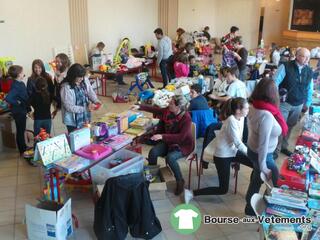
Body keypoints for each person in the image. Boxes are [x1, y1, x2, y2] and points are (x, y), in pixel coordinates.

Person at [184, 97, 252, 203]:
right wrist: (251, 154)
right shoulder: (231, 121)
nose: (248, 110)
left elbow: (240, 140)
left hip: (233, 151)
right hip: (223, 155)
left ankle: (251, 195)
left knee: (256, 165)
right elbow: (238, 143)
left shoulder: (242, 118)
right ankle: (191, 193)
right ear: (238, 111)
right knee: (223, 189)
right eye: (247, 108)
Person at [244, 78, 288, 216]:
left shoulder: (254, 106)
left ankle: (250, 208)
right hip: (263, 154)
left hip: (253, 150)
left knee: (257, 178)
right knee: (276, 182)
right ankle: (275, 212)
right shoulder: (266, 115)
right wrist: (263, 165)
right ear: (273, 94)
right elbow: (263, 144)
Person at [134, 95, 194, 195]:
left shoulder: (186, 118)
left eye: (171, 103)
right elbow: (156, 110)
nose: (168, 104)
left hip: (183, 145)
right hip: (169, 141)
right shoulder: (168, 111)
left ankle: (180, 181)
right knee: (153, 152)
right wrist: (140, 107)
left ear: (178, 107)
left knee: (170, 158)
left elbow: (181, 137)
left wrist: (162, 136)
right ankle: (151, 175)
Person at [273, 47, 313, 157]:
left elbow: (310, 88)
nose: (307, 59)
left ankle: (284, 147)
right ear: (298, 56)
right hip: (284, 103)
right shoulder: (285, 66)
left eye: (308, 57)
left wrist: (308, 103)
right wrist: (276, 98)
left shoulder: (309, 71)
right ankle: (275, 149)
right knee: (280, 126)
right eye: (305, 56)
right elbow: (274, 82)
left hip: (298, 104)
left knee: (290, 126)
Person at [60, 63, 101, 133]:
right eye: (79, 77)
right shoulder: (66, 88)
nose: (82, 79)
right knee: (76, 138)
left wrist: (96, 101)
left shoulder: (84, 80)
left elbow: (90, 91)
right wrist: (85, 108)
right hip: (73, 120)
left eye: (82, 76)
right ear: (73, 76)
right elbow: (69, 107)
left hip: (85, 116)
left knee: (86, 135)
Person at [4, 65, 31, 155]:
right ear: (19, 74)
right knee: (20, 131)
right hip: (18, 112)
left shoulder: (21, 83)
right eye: (22, 72)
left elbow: (25, 96)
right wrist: (17, 102)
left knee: (22, 129)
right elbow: (8, 98)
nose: (23, 73)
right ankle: (22, 150)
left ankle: (23, 146)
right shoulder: (15, 85)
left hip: (22, 110)